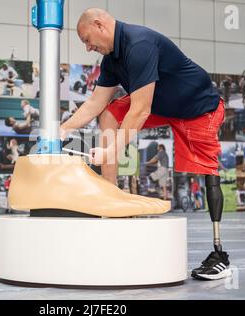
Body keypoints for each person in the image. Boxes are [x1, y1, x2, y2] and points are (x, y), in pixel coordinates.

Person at [60, 8, 230, 280]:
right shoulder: (111, 61)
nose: (88, 47)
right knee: (108, 112)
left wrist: (109, 150)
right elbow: (95, 103)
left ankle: (219, 253)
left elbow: (140, 111)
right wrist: (62, 129)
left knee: (207, 171)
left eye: (87, 39)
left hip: (200, 109)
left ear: (99, 24)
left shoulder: (139, 45)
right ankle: (111, 200)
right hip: (164, 107)